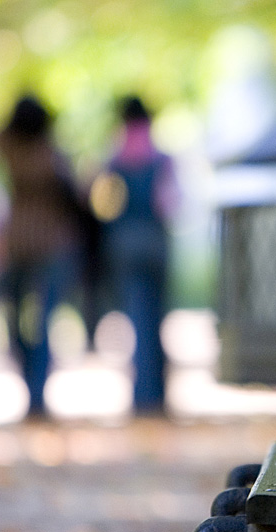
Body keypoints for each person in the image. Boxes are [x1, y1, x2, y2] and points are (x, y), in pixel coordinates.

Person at [0, 95, 86, 416]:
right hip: (28, 247)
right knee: (27, 320)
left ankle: (35, 390)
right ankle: (33, 386)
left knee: (34, 320)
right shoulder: (43, 155)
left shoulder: (27, 153)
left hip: (42, 248)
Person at [99, 96, 177, 413]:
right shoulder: (162, 160)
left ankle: (142, 393)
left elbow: (103, 207)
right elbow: (168, 204)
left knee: (136, 318)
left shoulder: (114, 161)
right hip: (155, 245)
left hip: (125, 247)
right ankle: (156, 393)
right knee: (157, 319)